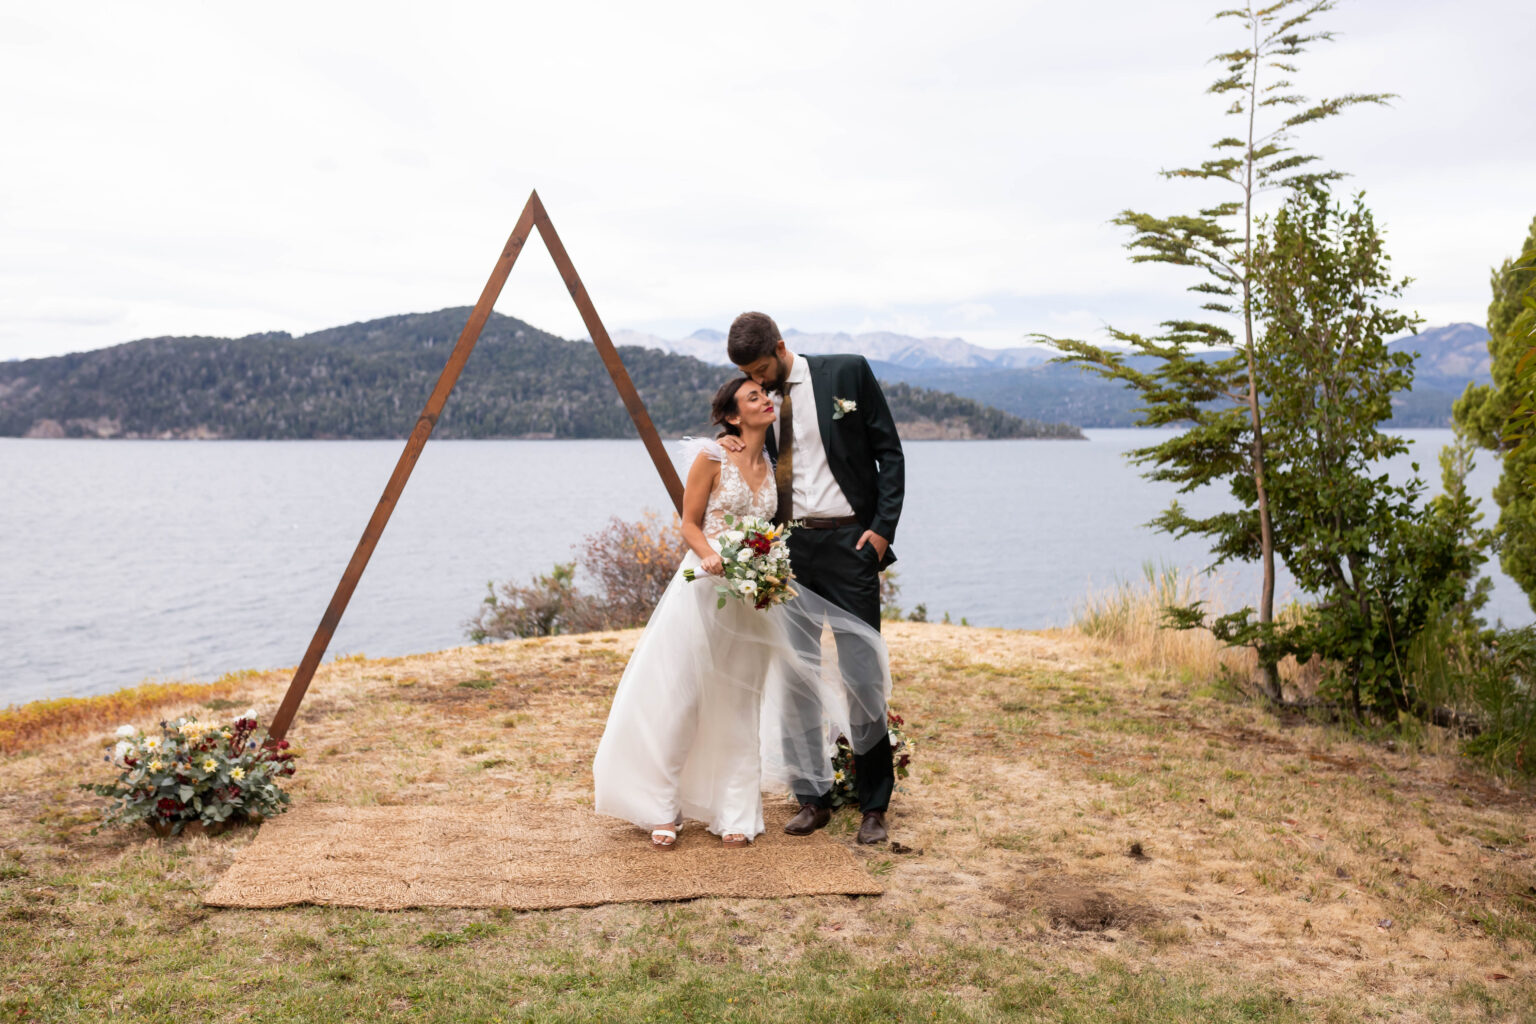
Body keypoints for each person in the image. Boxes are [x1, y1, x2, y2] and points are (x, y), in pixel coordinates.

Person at [592, 377, 889, 848]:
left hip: (751, 597)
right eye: (754, 397)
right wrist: (710, 554)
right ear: (733, 416)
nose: (766, 400)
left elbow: (773, 528)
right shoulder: (711, 457)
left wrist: (765, 568)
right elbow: (688, 524)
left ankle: (734, 810)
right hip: (705, 588)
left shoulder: (773, 463)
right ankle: (662, 808)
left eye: (765, 394)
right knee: (684, 697)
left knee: (739, 701)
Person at [724, 311, 905, 846]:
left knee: (861, 674)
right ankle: (811, 798)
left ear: (781, 346)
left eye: (763, 370)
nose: (759, 383)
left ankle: (875, 806)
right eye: (750, 377)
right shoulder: (758, 401)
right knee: (796, 674)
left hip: (851, 544)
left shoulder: (846, 374)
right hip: (790, 550)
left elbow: (889, 454)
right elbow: (741, 453)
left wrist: (881, 532)